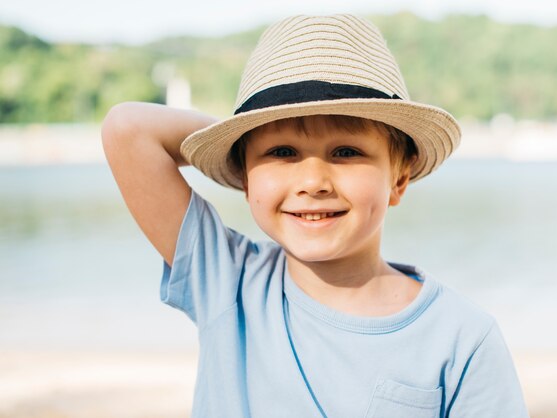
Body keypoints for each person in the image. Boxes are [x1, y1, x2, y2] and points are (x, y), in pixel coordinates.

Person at [102, 14, 529, 418]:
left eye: (346, 152)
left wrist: (264, 147)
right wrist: (240, 148)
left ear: (399, 179)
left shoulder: (461, 338)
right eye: (282, 153)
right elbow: (127, 129)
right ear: (246, 178)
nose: (313, 181)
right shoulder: (230, 284)